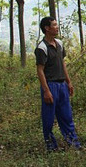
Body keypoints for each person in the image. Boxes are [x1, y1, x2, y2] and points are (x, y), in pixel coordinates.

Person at [35, 16, 81, 151]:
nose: (57, 27)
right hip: (51, 85)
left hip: (62, 86)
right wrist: (46, 90)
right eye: (54, 25)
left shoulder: (59, 44)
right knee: (48, 119)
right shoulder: (42, 48)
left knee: (67, 117)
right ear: (47, 28)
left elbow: (63, 64)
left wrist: (69, 82)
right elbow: (40, 70)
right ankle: (51, 147)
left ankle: (74, 144)